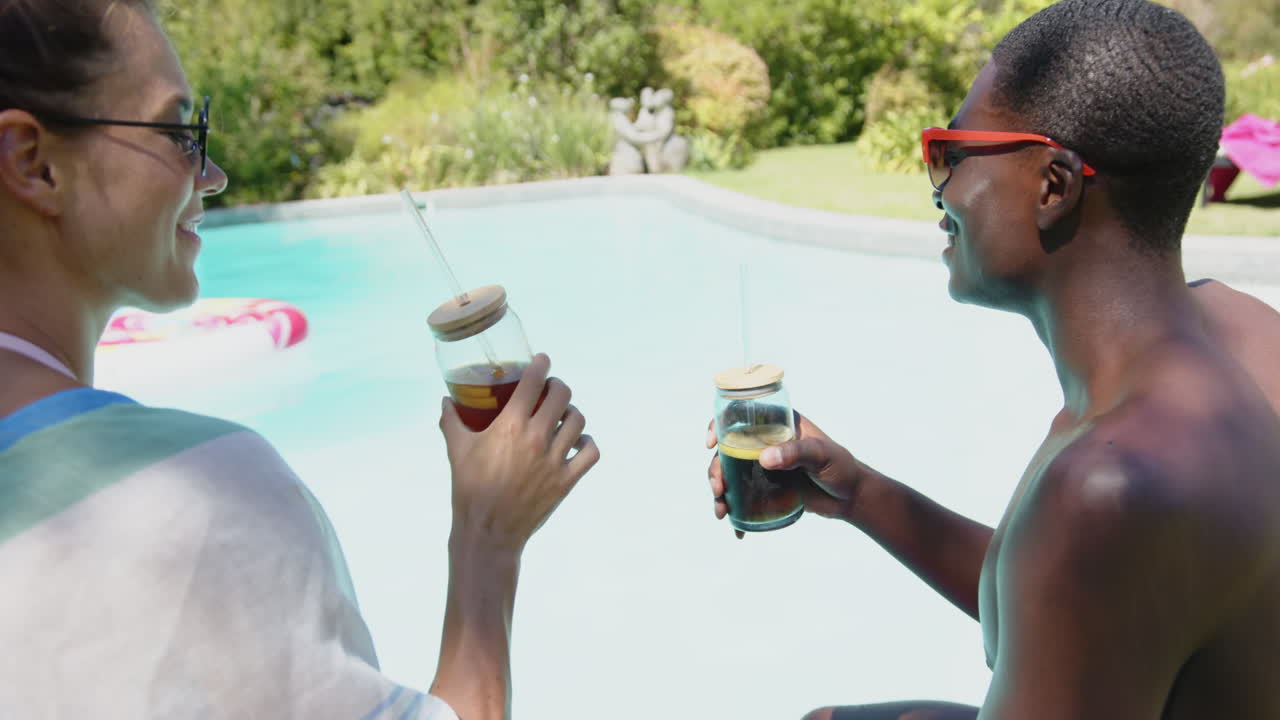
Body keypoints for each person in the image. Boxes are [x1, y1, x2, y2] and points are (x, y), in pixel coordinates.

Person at [0, 1, 598, 718]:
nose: (212, 173)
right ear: (33, 162)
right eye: (179, 130)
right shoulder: (191, 501)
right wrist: (489, 537)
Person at [707, 1, 1280, 717]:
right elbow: (1074, 605)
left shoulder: (1109, 485)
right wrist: (858, 494)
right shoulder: (1247, 335)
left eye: (949, 152)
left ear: (1054, 186)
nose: (938, 189)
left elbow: (1089, 558)